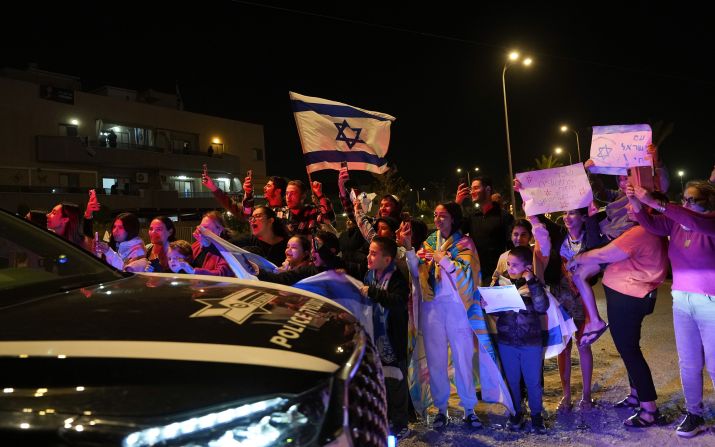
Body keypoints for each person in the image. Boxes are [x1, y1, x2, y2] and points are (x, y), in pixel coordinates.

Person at [567, 201, 668, 427]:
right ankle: (636, 395)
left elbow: (603, 254)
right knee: (630, 349)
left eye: (634, 206)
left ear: (649, 209)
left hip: (629, 298)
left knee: (630, 352)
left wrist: (577, 259)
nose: (629, 210)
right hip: (633, 295)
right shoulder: (649, 230)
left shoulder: (642, 232)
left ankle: (649, 409)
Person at [627, 180, 715, 437]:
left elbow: (694, 221)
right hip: (681, 300)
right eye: (684, 199)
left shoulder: (710, 221)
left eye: (692, 199)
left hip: (710, 302)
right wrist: (635, 202)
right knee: (688, 363)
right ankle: (694, 413)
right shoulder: (676, 222)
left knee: (714, 363)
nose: (685, 204)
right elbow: (651, 224)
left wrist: (656, 202)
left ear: (708, 202)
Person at [402, 202, 483, 430]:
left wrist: (444, 260)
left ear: (453, 219)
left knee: (463, 357)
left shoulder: (465, 242)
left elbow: (469, 274)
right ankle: (441, 409)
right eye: (436, 215)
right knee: (435, 359)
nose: (438, 220)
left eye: (443, 216)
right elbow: (415, 270)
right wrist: (409, 248)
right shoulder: (429, 242)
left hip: (457, 307)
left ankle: (469, 409)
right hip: (432, 307)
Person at [490, 245, 549, 433]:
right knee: (512, 380)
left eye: (514, 265)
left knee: (533, 382)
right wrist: (487, 305)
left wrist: (531, 280)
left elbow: (542, 307)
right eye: (508, 264)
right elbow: (494, 310)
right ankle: (516, 413)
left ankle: (537, 416)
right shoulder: (501, 283)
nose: (509, 268)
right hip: (507, 341)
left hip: (530, 342)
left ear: (527, 267)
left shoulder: (534, 285)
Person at [359, 236, 410, 439]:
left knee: (396, 383)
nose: (369, 257)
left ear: (387, 260)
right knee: (380, 383)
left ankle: (401, 423)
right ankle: (385, 418)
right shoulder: (369, 276)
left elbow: (397, 302)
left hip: (393, 340)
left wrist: (373, 293)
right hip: (374, 339)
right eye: (369, 252)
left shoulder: (397, 278)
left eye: (373, 253)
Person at [456, 176, 514, 286]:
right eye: (471, 189)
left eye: (476, 188)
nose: (472, 192)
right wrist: (457, 203)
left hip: (499, 278)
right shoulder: (472, 217)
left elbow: (512, 246)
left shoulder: (504, 217)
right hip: (476, 277)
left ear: (488, 189)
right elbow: (454, 232)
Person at [188, 211, 233, 277]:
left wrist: (194, 271)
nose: (200, 230)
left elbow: (221, 274)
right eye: (200, 227)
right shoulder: (196, 245)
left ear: (219, 230)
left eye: (205, 227)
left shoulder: (225, 250)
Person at [491, 218, 533, 285]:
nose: (519, 238)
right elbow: (495, 279)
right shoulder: (504, 257)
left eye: (523, 235)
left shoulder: (536, 256)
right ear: (511, 236)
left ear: (530, 236)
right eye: (516, 234)